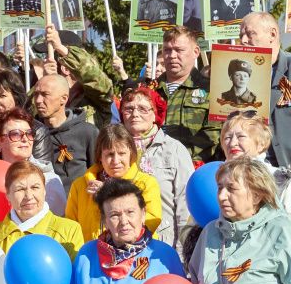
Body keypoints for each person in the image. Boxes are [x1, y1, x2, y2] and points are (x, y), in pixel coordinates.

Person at [120, 87, 193, 251]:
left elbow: (185, 207)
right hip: (121, 246)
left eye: (143, 109)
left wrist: (183, 254)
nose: (135, 114)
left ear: (155, 114)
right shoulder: (113, 150)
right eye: (129, 108)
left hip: (163, 245)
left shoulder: (174, 150)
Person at [132, 27, 218, 162]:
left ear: (196, 52)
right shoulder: (147, 90)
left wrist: (176, 158)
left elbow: (213, 135)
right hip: (149, 166)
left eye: (179, 50)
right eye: (167, 50)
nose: (172, 55)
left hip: (194, 168)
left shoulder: (211, 90)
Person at [66, 123, 163, 243]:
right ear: (100, 156)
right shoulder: (80, 186)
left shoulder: (147, 183)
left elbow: (151, 221)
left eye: (122, 153)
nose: (116, 161)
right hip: (94, 255)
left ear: (131, 154)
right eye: (109, 154)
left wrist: (108, 193)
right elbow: (71, 228)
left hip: (137, 253)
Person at [0, 108, 67, 214]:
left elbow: (58, 223)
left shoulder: (49, 179)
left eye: (29, 133)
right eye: (16, 134)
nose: (25, 139)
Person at [33, 74, 99, 191]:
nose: (38, 100)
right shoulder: (32, 134)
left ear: (63, 98)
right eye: (36, 94)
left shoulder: (88, 132)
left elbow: (98, 172)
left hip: (81, 205)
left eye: (45, 95)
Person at [242, 12, 291, 167]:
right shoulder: (238, 75)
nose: (243, 40)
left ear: (272, 34)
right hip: (253, 169)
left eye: (250, 34)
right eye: (241, 35)